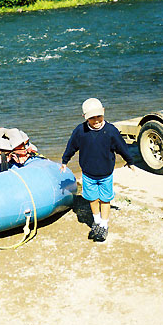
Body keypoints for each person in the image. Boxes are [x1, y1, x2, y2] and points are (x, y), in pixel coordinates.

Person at [60, 98, 134, 242]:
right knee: (93, 199)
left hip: (106, 174)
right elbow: (71, 146)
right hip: (88, 174)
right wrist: (65, 161)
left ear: (103, 112)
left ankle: (104, 226)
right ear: (85, 117)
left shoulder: (111, 131)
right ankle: (97, 222)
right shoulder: (80, 131)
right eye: (92, 118)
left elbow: (122, 147)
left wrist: (129, 161)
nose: (96, 120)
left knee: (105, 200)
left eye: (98, 116)